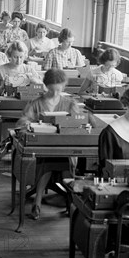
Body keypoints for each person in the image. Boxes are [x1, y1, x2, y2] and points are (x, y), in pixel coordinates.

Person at [16, 69, 81, 220]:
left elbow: (79, 122)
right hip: (42, 148)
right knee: (47, 161)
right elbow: (22, 121)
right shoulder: (36, 103)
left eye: (58, 90)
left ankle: (69, 202)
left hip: (65, 147)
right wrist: (32, 124)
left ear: (64, 87)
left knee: (68, 167)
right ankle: (37, 202)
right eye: (51, 90)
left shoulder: (70, 103)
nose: (55, 93)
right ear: (46, 86)